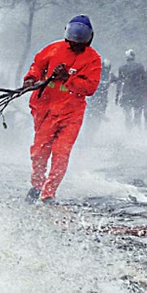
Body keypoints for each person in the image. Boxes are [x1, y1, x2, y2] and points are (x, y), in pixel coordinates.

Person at [22, 15, 102, 204]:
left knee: (61, 152)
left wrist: (68, 78)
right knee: (39, 152)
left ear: (89, 39)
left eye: (79, 41)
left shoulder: (93, 60)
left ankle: (49, 193)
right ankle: (36, 185)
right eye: (72, 40)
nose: (75, 44)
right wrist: (30, 78)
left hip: (71, 113)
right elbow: (37, 65)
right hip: (46, 109)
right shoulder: (54, 48)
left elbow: (90, 88)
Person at [116, 49, 147, 128]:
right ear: (134, 57)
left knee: (127, 116)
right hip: (137, 93)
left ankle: (128, 133)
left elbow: (119, 82)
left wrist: (117, 96)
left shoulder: (122, 68)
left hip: (126, 94)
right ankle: (137, 133)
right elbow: (144, 80)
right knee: (137, 114)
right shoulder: (140, 67)